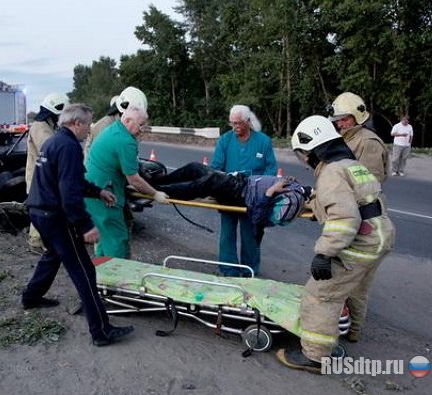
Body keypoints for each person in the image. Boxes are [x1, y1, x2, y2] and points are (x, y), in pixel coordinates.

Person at [276, 115, 395, 373]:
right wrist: (314, 199)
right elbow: (356, 200)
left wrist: (324, 253)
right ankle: (353, 333)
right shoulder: (353, 165)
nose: (304, 161)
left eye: (303, 154)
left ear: (315, 149)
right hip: (381, 235)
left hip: (360, 241)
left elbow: (345, 217)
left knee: (321, 294)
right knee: (358, 288)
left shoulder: (331, 172)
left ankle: (315, 356)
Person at [21, 104, 134, 347]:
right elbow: (69, 193)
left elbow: (72, 180)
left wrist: (98, 192)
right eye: (88, 124)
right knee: (84, 271)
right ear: (76, 124)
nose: (89, 130)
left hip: (38, 210)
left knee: (52, 255)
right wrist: (85, 226)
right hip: (53, 215)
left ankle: (30, 297)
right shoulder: (69, 146)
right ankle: (101, 332)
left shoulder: (55, 142)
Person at [145, 161, 311, 241]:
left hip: (239, 193)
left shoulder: (293, 204)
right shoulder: (297, 189)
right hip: (239, 182)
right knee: (195, 168)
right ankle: (156, 183)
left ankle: (155, 189)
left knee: (204, 184)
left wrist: (270, 192)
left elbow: (259, 220)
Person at [85, 105, 168, 258]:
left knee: (105, 236)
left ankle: (101, 274)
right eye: (141, 125)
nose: (142, 129)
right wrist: (155, 194)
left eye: (145, 125)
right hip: (104, 194)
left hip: (93, 190)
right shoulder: (125, 141)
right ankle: (118, 275)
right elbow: (134, 179)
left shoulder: (113, 129)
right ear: (128, 120)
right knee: (117, 238)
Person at [210, 105, 277, 277]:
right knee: (227, 235)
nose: (235, 127)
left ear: (248, 121)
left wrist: (263, 190)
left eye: (238, 123)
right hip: (229, 194)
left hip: (253, 197)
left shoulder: (263, 142)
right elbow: (215, 167)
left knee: (250, 236)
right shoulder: (225, 140)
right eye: (232, 123)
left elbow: (271, 170)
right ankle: (228, 271)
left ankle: (250, 272)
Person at [25, 92, 70, 251]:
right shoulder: (41, 128)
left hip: (42, 177)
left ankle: (37, 240)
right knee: (42, 210)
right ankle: (39, 243)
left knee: (41, 209)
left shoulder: (45, 126)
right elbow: (51, 151)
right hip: (39, 178)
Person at [327, 92, 390, 183]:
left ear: (357, 117)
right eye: (337, 120)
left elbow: (370, 183)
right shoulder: (344, 137)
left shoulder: (368, 142)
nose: (339, 124)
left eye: (344, 119)